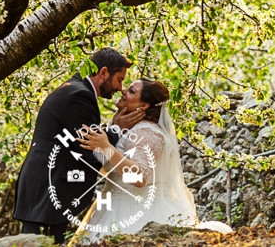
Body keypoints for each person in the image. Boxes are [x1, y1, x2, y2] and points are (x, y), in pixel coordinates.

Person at [73, 77, 233, 240]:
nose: (123, 91)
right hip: (114, 204)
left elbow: (140, 177)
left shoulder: (147, 132)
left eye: (131, 91)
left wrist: (107, 148)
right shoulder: (132, 130)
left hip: (134, 209)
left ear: (143, 105)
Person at [13, 47, 145, 244]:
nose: (119, 87)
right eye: (119, 79)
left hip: (43, 189)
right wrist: (117, 130)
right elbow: (86, 147)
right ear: (104, 73)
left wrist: (111, 130)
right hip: (48, 191)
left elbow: (83, 137)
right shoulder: (79, 96)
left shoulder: (73, 88)